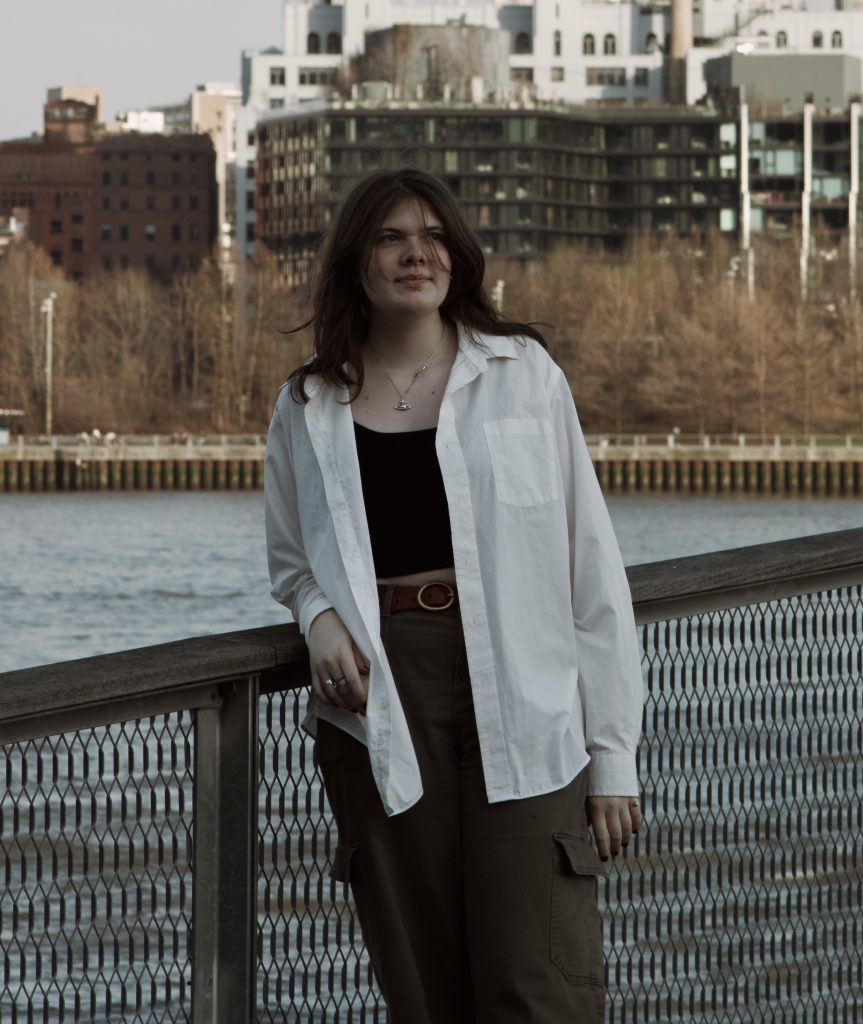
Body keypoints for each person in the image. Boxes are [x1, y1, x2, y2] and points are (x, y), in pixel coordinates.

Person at [265, 167, 644, 1023]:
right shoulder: (309, 402)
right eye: (392, 237)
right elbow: (290, 559)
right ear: (356, 260)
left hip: (524, 688)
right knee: (422, 985)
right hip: (381, 693)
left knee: (535, 979)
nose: (415, 254)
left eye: (433, 236)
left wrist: (611, 753)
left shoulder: (522, 377)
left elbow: (592, 569)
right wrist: (318, 617)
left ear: (459, 255)